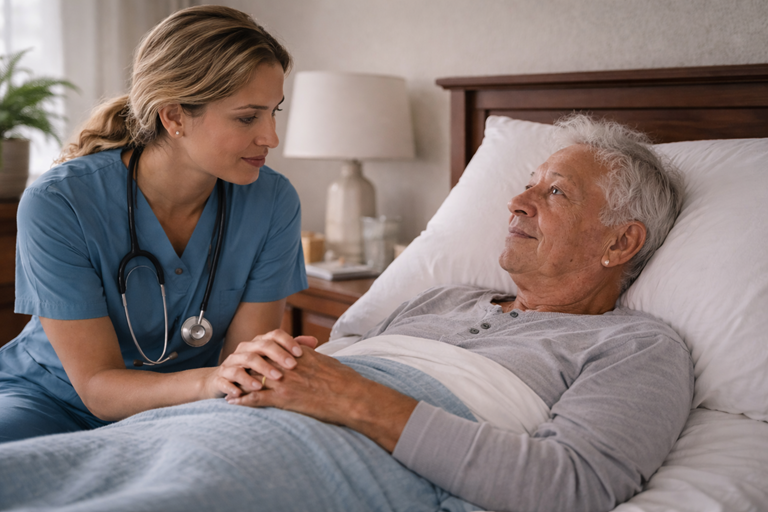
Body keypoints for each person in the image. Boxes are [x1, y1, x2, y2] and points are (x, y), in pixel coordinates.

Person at [0, 115, 692, 512]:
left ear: (621, 243)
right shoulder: (443, 298)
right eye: (527, 184)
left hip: (293, 460)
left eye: (556, 193)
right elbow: (324, 363)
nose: (517, 202)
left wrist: (357, 400)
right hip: (190, 422)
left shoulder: (638, 347)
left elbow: (571, 485)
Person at [0, 6, 313, 443]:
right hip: (51, 400)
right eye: (247, 117)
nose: (271, 137)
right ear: (174, 116)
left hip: (192, 406)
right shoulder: (58, 203)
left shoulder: (272, 201)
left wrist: (264, 368)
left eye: (273, 112)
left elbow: (244, 363)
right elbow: (97, 387)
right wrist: (213, 380)